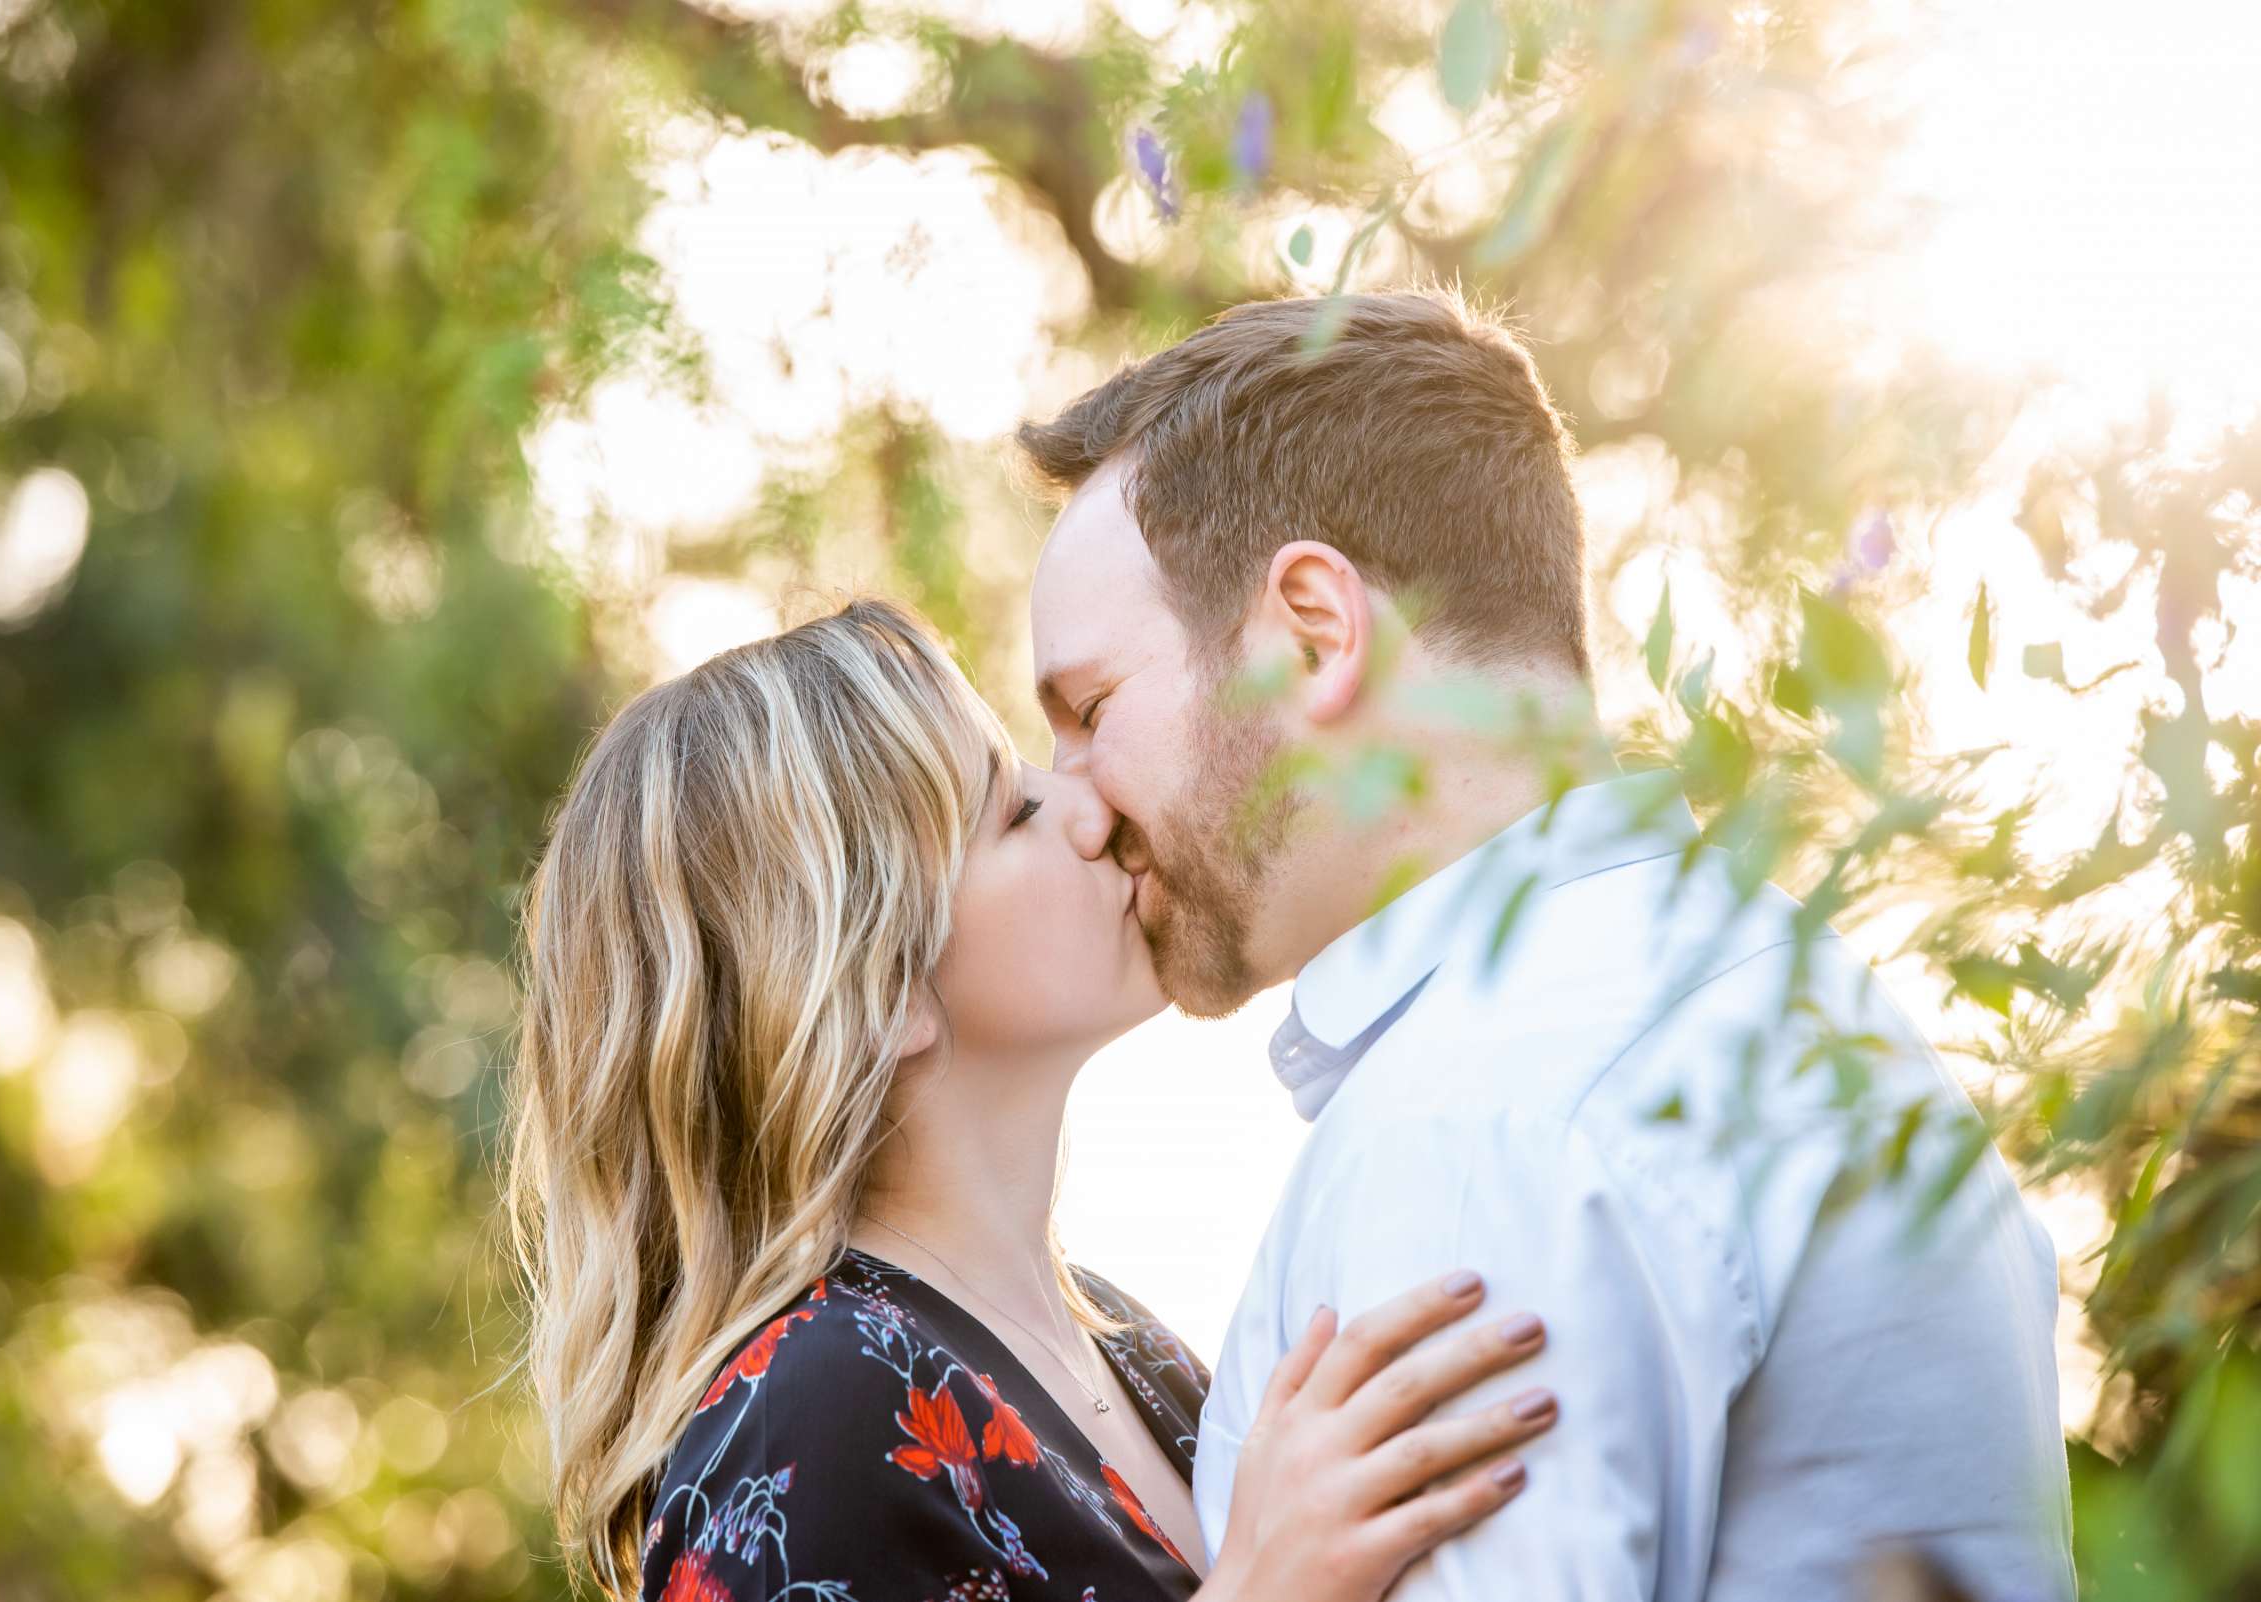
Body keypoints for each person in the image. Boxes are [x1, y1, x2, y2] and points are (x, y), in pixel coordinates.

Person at [1017, 290, 2077, 1602]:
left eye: (1090, 707)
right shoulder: (1790, 994)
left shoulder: (1484, 1124)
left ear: (1311, 633)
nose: (1069, 795)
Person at [502, 599, 1563, 1602]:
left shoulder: (1130, 1345)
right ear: (877, 992)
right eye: (1010, 810)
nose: (1092, 808)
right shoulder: (811, 1418)